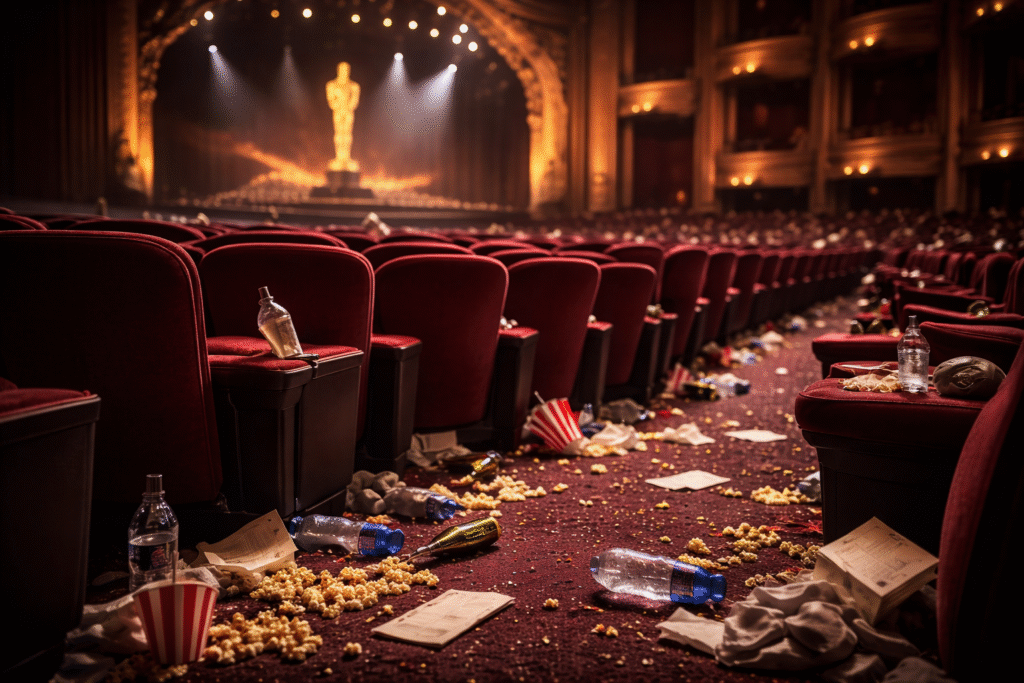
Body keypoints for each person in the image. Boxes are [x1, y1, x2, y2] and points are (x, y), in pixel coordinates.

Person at [326, 61, 360, 172]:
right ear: (338, 70)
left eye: (346, 69)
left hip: (348, 112)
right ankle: (339, 157)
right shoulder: (332, 85)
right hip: (338, 112)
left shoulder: (354, 86)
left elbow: (354, 101)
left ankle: (346, 157)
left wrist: (347, 108)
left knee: (347, 134)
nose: (344, 72)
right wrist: (340, 107)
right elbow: (331, 101)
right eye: (342, 69)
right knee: (339, 134)